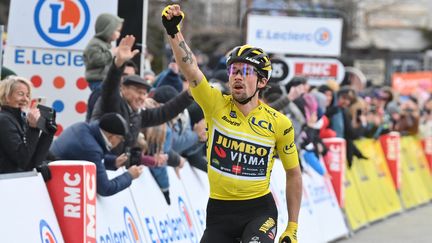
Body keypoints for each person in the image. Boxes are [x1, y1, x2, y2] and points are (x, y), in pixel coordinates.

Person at [162, 5, 302, 243]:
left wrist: (292, 227)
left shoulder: (279, 123)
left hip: (259, 211)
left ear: (262, 81)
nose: (237, 76)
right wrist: (174, 31)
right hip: (219, 213)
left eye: (246, 71)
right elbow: (191, 69)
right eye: (233, 70)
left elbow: (293, 174)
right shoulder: (215, 103)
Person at [91, 35, 194, 163]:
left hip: (113, 168)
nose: (142, 97)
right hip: (98, 163)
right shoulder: (112, 104)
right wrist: (118, 64)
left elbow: (164, 112)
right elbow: (109, 87)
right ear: (123, 89)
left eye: (145, 93)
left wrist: (190, 94)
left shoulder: (138, 114)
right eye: (138, 92)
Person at [50, 113, 143, 196]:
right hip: (53, 182)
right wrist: (129, 176)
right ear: (112, 137)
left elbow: (84, 159)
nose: (120, 143)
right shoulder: (92, 149)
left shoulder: (81, 127)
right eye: (121, 139)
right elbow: (106, 189)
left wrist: (113, 162)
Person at [0, 76, 56, 173]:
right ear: (6, 96)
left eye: (28, 95)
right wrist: (33, 128)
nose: (25, 99)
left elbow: (34, 161)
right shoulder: (3, 120)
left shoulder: (21, 119)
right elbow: (22, 160)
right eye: (20, 94)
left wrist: (48, 133)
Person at [83, 13, 123, 91]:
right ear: (107, 30)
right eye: (117, 31)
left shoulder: (107, 44)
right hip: (97, 80)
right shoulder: (95, 44)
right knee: (101, 99)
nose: (119, 34)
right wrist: (111, 53)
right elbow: (96, 60)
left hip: (105, 79)